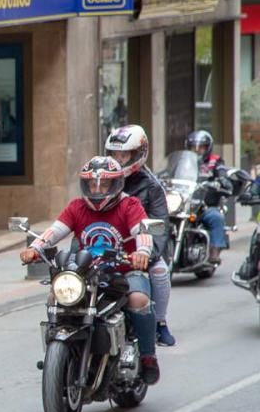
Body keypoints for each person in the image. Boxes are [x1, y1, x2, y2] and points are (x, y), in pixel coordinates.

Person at [20, 156, 160, 385]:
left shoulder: (129, 205)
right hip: (87, 272)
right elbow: (55, 231)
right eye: (92, 184)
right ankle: (59, 349)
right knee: (56, 295)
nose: (97, 189)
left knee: (138, 298)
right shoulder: (77, 207)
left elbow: (141, 231)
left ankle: (147, 356)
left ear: (116, 184)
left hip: (124, 270)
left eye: (104, 184)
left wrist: (142, 252)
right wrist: (35, 248)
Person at [104, 125, 175, 347]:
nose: (118, 159)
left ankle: (160, 322)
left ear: (138, 153)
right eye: (114, 154)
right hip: (105, 244)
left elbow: (160, 225)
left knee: (160, 271)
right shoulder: (101, 179)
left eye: (123, 154)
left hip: (138, 249)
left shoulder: (151, 186)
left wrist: (148, 253)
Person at [186, 130, 232, 264]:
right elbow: (174, 171)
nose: (196, 150)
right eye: (193, 147)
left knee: (215, 217)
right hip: (186, 205)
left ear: (208, 147)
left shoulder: (215, 161)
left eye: (200, 147)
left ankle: (214, 251)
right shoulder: (187, 162)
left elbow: (222, 172)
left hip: (205, 205)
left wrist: (222, 179)